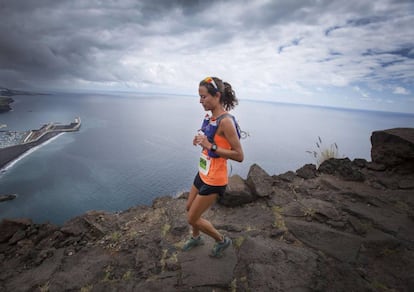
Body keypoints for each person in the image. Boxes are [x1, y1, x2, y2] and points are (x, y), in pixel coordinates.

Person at [182, 76, 244, 258]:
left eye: (203, 97)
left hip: (215, 179)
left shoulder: (226, 122)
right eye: (199, 97)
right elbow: (209, 139)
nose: (200, 101)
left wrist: (210, 146)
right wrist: (201, 141)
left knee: (192, 218)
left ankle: (221, 241)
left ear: (216, 96)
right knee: (189, 207)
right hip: (203, 171)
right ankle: (196, 237)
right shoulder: (210, 116)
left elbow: (239, 155)